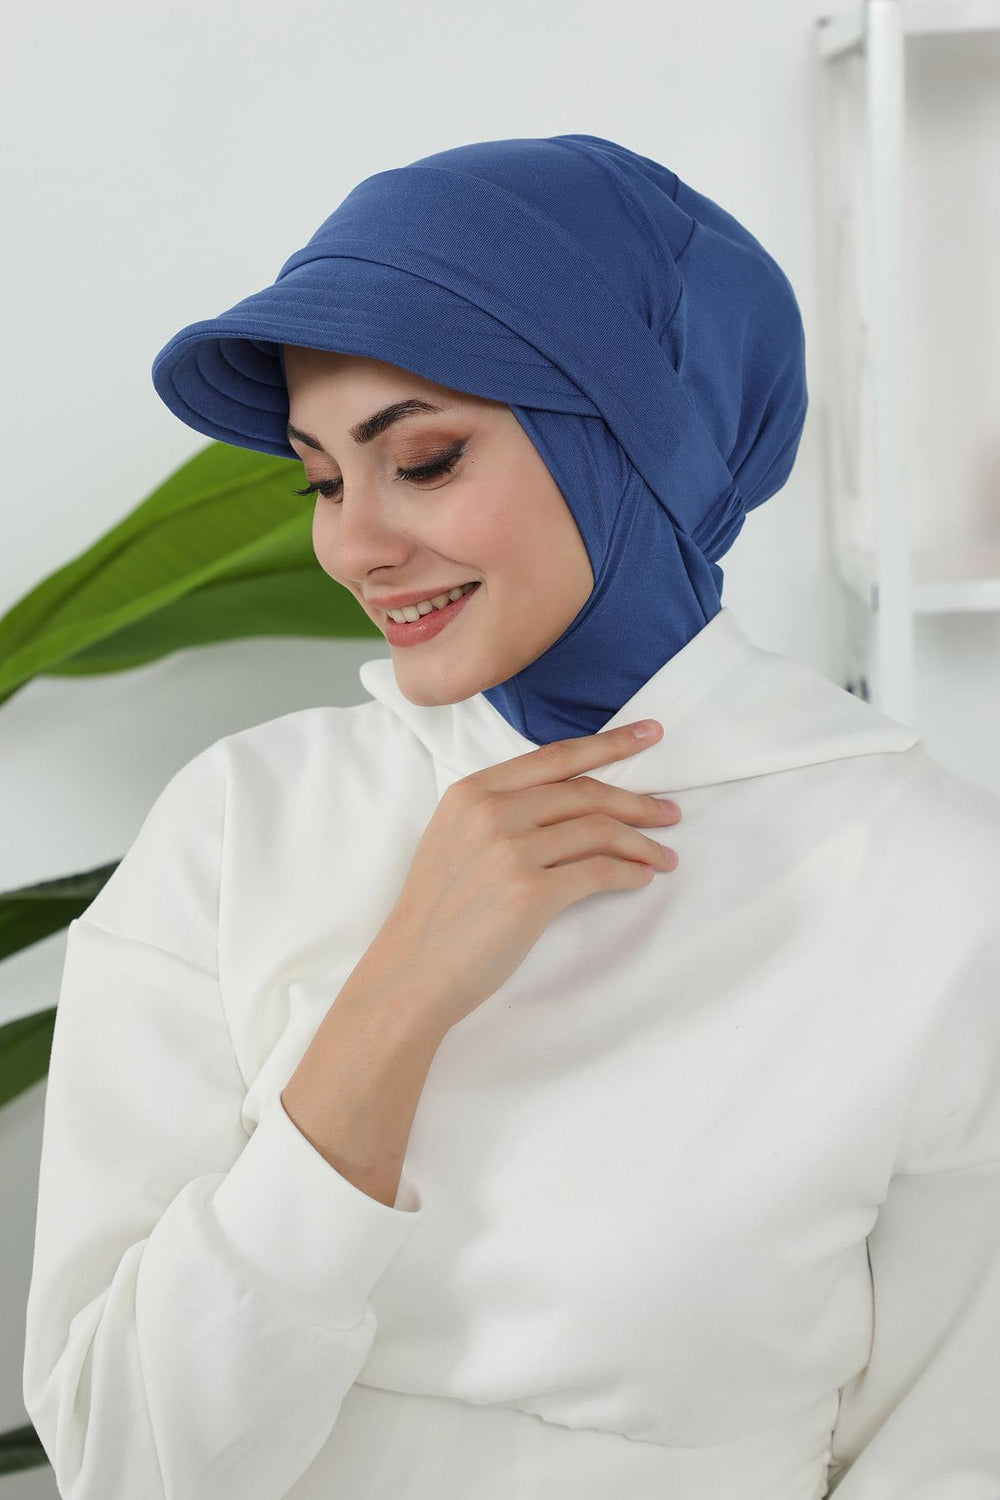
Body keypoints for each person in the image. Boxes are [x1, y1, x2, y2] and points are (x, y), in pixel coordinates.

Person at [22, 134, 1000, 1500]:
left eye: (423, 460)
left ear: (642, 442)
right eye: (321, 479)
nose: (351, 545)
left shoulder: (932, 882)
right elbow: (125, 1463)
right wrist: (398, 996)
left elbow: (949, 1453)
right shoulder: (240, 827)